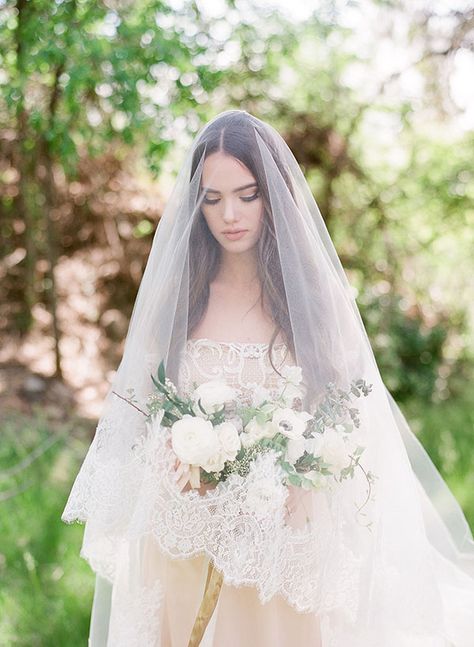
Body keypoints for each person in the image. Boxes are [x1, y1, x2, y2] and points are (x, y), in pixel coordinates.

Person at [62, 109, 474, 646]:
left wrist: (303, 480)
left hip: (280, 544)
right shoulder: (177, 301)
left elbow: (348, 420)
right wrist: (170, 451)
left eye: (247, 194)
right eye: (212, 198)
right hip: (183, 541)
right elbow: (134, 408)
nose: (229, 214)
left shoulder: (314, 306)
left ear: (272, 196)